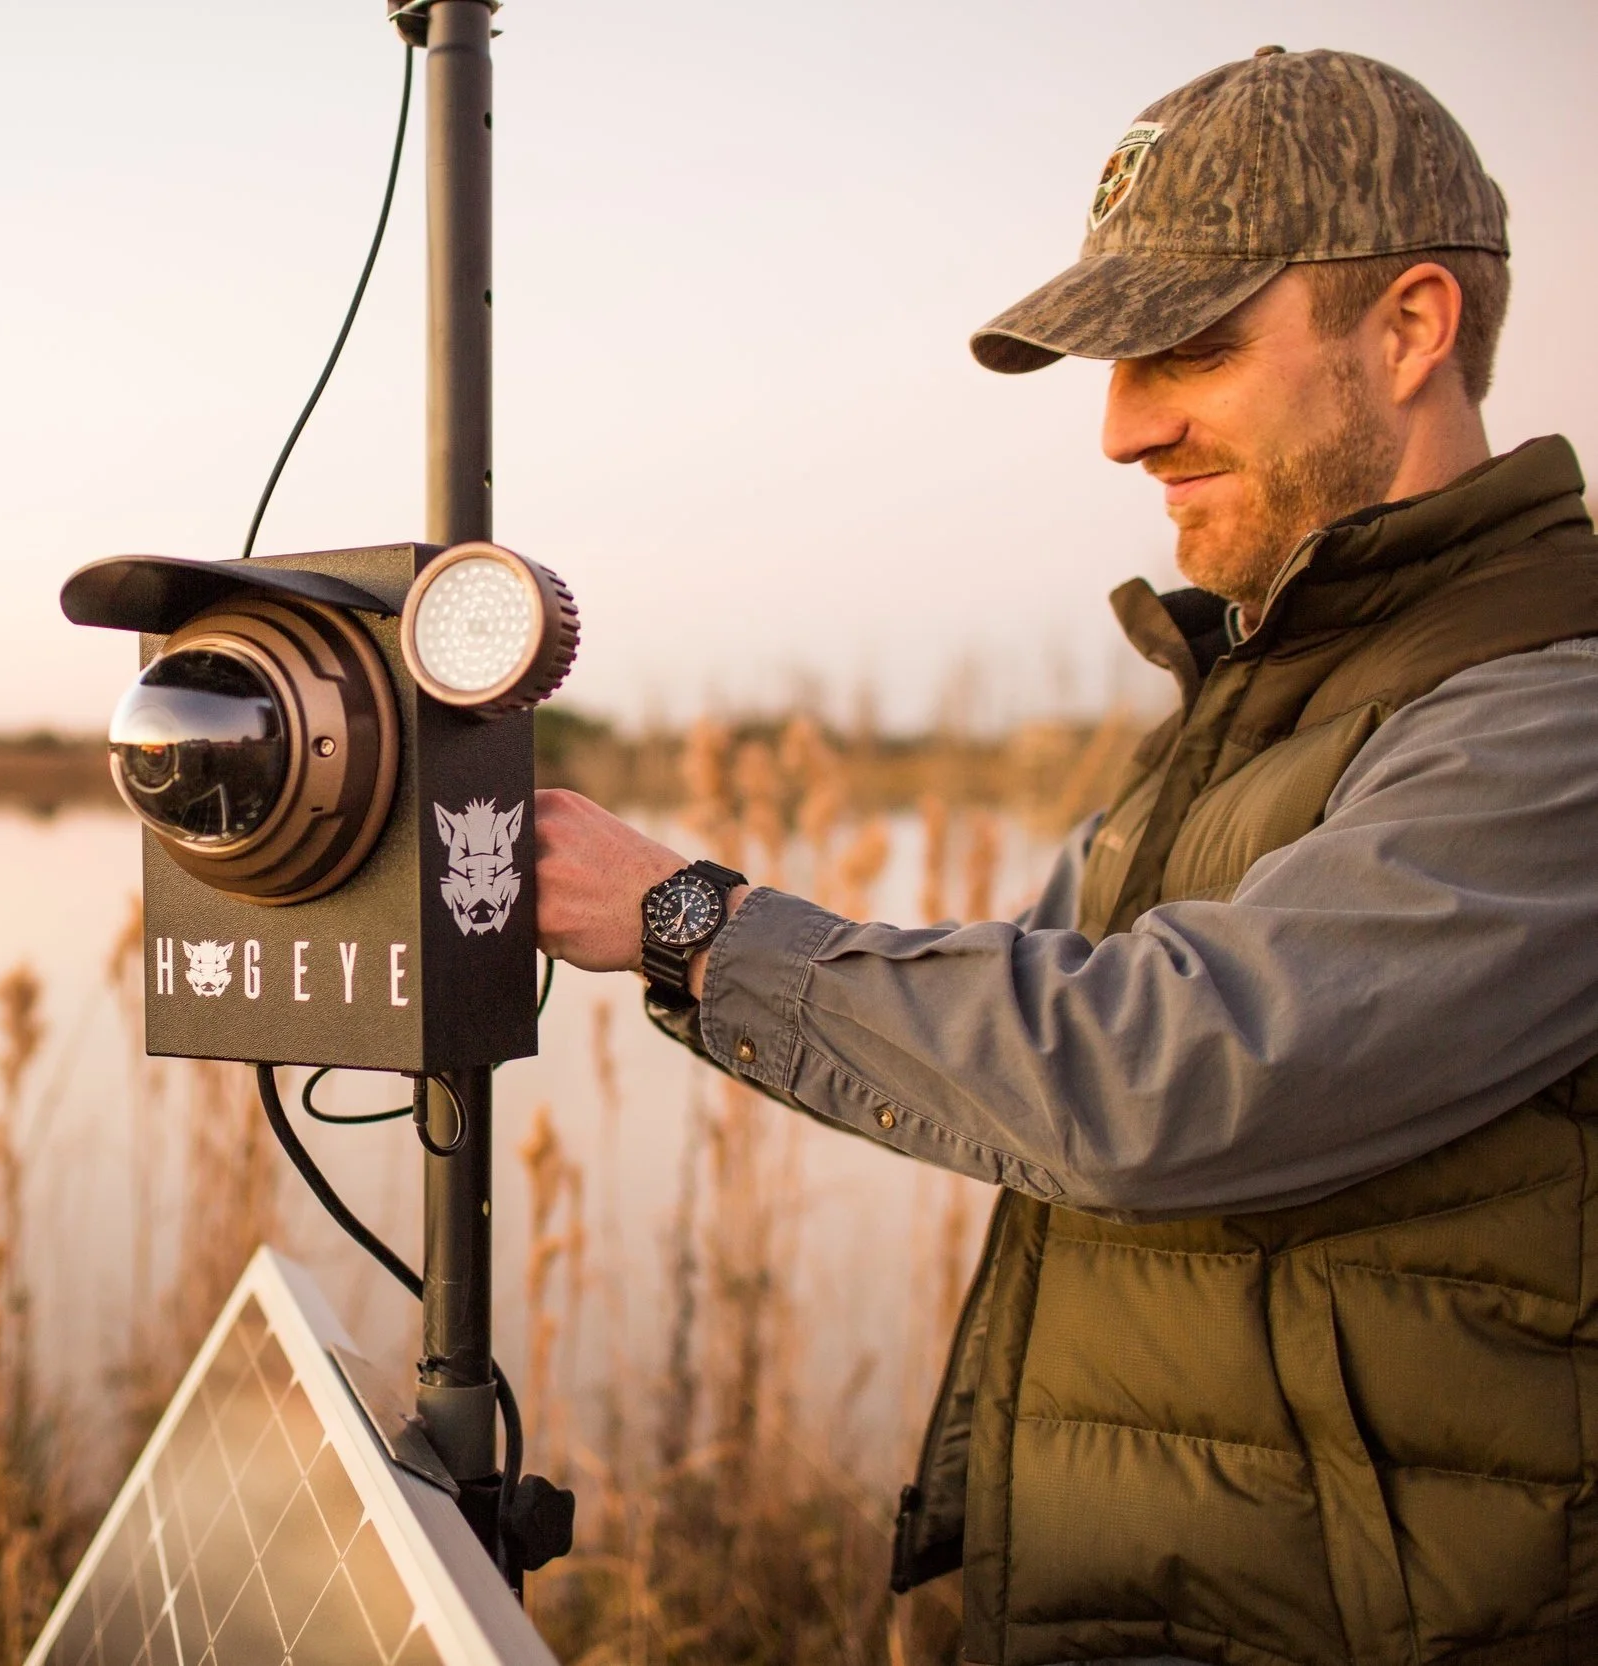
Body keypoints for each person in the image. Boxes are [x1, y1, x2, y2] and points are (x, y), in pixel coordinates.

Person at [532, 45, 1598, 1666]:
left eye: (1185, 347)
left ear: (1409, 328)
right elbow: (1024, 1010)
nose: (1117, 429)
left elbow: (1155, 1072)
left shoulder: (1550, 713)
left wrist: (689, 922)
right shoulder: (1252, 692)